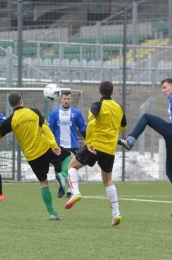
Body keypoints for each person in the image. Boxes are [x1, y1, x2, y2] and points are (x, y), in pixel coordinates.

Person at [118, 64, 172, 218]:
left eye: (165, 87)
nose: (163, 91)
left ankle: (130, 141)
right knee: (170, 171)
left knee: (146, 117)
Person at [0, 92, 73, 220]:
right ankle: (63, 175)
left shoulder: (10, 121)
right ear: (22, 101)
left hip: (32, 156)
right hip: (45, 148)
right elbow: (46, 128)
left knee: (44, 182)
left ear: (11, 105)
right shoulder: (34, 112)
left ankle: (52, 213)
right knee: (70, 156)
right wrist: (54, 145)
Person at [64, 81, 127, 226]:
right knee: (107, 181)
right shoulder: (119, 107)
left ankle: (76, 192)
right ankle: (116, 213)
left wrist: (90, 142)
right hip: (109, 149)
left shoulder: (96, 105)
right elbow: (122, 127)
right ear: (112, 92)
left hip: (95, 146)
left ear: (99, 92)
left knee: (72, 167)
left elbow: (91, 124)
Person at [48, 90, 86, 199]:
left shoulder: (76, 113)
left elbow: (82, 128)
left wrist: (88, 141)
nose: (66, 101)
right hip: (58, 146)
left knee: (71, 168)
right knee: (58, 169)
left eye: (68, 99)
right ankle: (61, 185)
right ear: (61, 99)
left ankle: (70, 190)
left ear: (71, 100)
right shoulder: (54, 113)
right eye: (64, 99)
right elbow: (50, 130)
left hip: (72, 145)